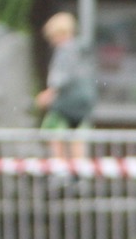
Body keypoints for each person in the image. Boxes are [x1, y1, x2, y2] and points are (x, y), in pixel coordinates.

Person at [34, 12, 97, 159]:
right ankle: (78, 168)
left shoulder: (65, 50)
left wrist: (48, 94)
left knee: (55, 134)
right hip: (83, 103)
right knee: (78, 140)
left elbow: (61, 77)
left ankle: (59, 166)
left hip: (65, 103)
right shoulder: (81, 50)